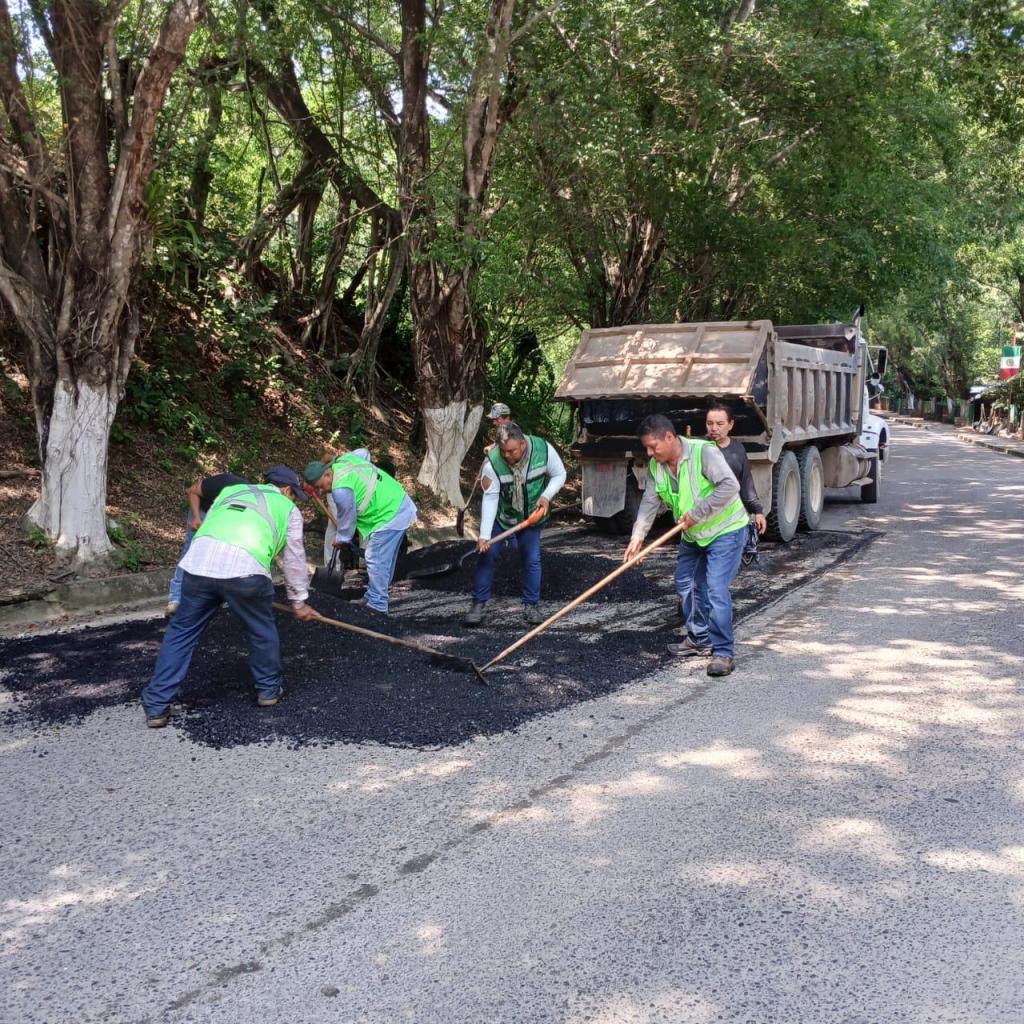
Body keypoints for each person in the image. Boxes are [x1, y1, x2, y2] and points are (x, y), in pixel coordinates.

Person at [141, 466, 316, 729]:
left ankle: (156, 706)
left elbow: (210, 516)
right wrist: (299, 601)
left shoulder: (231, 491)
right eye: (294, 495)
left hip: (197, 567)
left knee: (181, 632)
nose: (294, 500)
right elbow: (294, 559)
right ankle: (268, 690)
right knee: (261, 630)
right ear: (287, 490)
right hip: (246, 573)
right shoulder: (288, 509)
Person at [624, 414, 748, 677]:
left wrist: (697, 513)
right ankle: (700, 639)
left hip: (725, 530)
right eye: (647, 448)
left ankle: (723, 653)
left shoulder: (703, 453)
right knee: (686, 584)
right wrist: (637, 537)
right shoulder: (657, 466)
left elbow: (730, 485)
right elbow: (649, 502)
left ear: (669, 437)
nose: (649, 453)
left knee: (715, 589)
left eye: (653, 446)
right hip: (694, 535)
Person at [464, 422, 566, 626]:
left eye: (511, 451)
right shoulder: (492, 463)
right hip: (504, 517)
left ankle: (531, 605)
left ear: (523, 444)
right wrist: (484, 535)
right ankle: (478, 603)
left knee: (531, 558)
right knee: (488, 555)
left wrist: (546, 496)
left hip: (531, 517)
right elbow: (490, 498)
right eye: (503, 451)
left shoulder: (543, 450)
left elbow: (559, 474)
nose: (507, 455)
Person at [304, 449, 416, 615]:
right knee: (383, 560)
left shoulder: (340, 490)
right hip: (399, 504)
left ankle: (377, 606)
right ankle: (374, 596)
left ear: (327, 474)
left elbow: (348, 519)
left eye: (321, 486)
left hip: (389, 514)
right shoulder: (344, 461)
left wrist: (341, 539)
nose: (322, 491)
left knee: (375, 558)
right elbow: (365, 454)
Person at [166, 471, 248, 615]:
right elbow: (192, 491)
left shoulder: (252, 501)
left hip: (221, 516)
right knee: (190, 552)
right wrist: (196, 517)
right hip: (202, 511)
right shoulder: (224, 482)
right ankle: (175, 599)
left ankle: (218, 596)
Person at [705, 402, 767, 535]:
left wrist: (758, 511)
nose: (714, 428)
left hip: (731, 519)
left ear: (730, 424)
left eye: (720, 424)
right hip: (704, 518)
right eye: (709, 423)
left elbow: (746, 485)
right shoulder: (700, 449)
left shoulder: (738, 449)